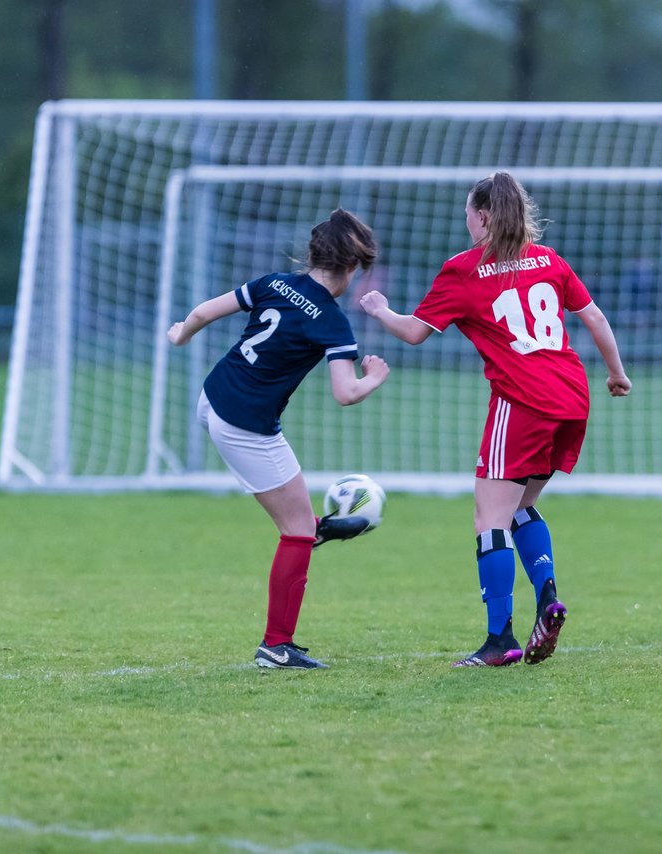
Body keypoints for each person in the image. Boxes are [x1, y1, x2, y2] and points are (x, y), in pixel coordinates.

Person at [359, 172, 631, 668]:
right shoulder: (548, 260)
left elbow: (416, 333)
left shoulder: (464, 270)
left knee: (489, 517)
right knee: (521, 506)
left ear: (482, 216)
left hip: (522, 398)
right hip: (572, 396)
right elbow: (594, 317)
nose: (466, 221)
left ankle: (498, 638)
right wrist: (616, 373)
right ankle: (548, 600)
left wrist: (380, 310)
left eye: (468, 212)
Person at [166, 208, 391, 671]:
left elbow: (205, 311)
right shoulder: (331, 320)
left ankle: (317, 528)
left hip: (213, 396)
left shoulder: (273, 282)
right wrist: (374, 376)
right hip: (245, 423)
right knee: (295, 532)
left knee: (300, 523)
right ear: (351, 268)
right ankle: (276, 646)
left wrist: (180, 335)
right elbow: (346, 394)